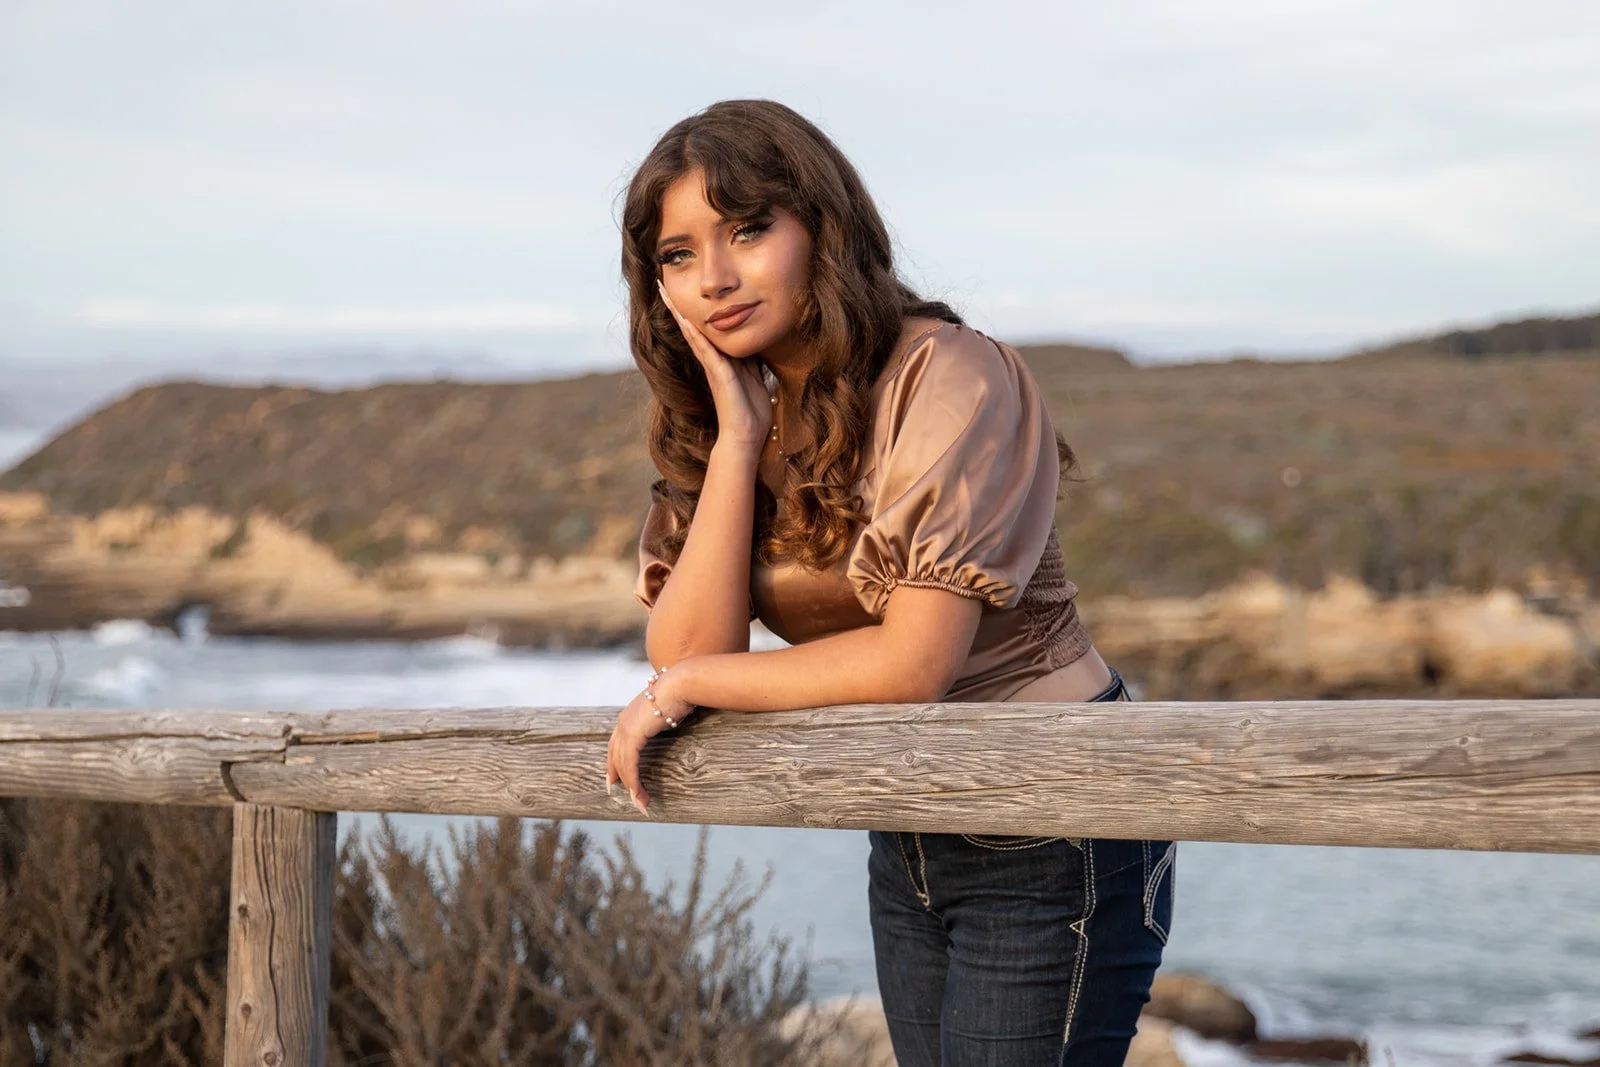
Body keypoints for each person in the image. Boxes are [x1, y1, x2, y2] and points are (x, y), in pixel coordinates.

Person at [605, 98, 1173, 1067]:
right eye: (679, 254)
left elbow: (912, 661)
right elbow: (691, 647)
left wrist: (688, 686)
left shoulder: (946, 373)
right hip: (907, 817)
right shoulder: (738, 413)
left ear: (822, 226)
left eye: (749, 230)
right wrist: (739, 440)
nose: (715, 278)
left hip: (1049, 811)